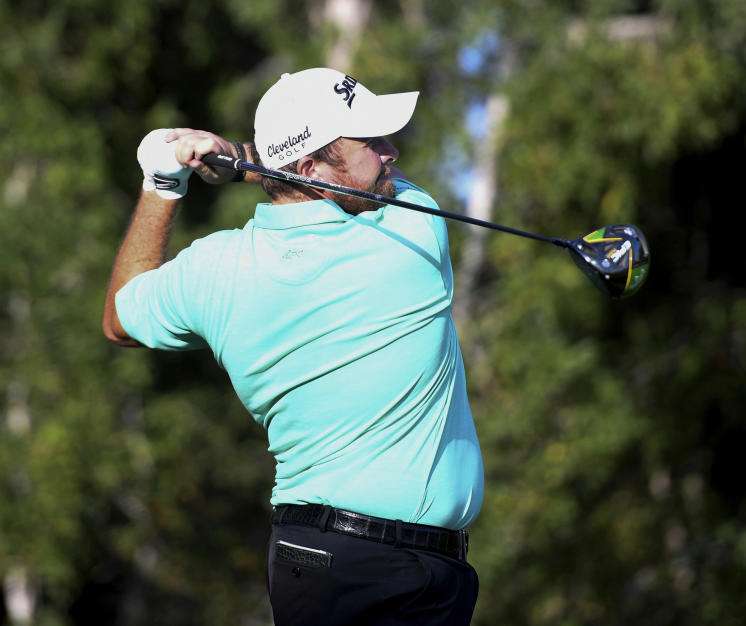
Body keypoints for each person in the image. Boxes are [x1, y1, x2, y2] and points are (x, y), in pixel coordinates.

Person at [102, 68, 484, 625]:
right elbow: (294, 173)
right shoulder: (411, 233)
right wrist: (235, 156)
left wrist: (163, 183)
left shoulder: (215, 269)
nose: (391, 152)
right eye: (371, 144)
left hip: (319, 562)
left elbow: (119, 315)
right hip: (384, 570)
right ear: (309, 168)